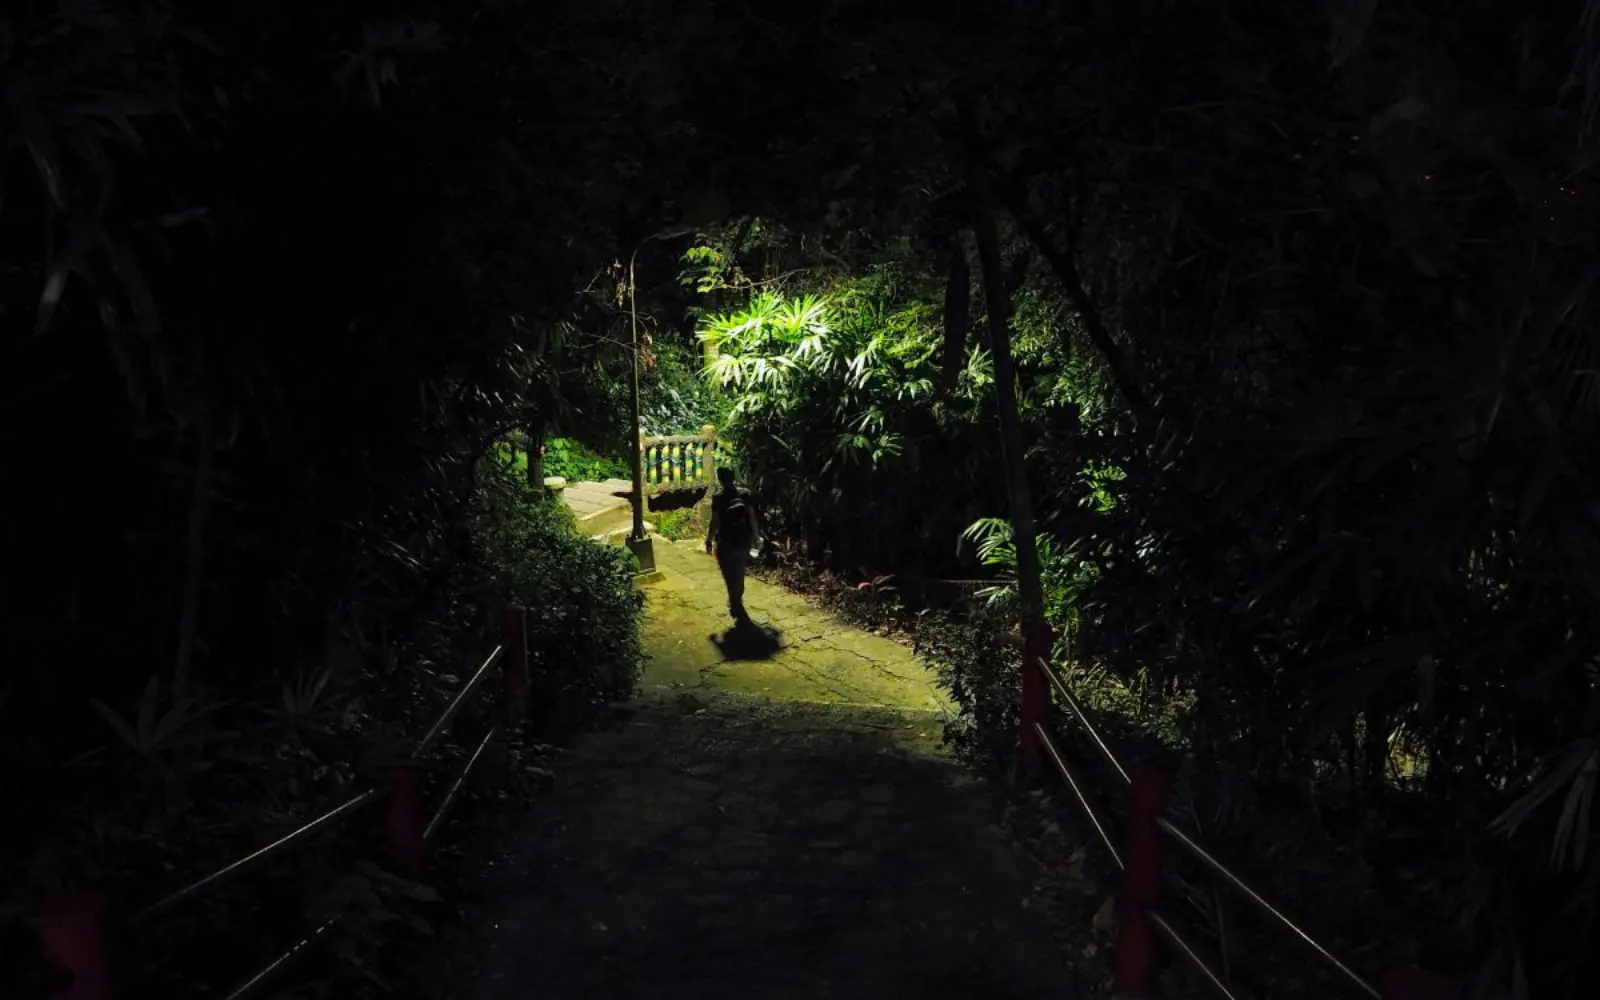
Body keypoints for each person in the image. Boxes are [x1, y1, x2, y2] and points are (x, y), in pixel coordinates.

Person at [705, 466, 761, 624]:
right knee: (740, 570)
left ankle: (735, 601)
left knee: (729, 573)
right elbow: (752, 517)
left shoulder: (719, 497)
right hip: (743, 540)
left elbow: (715, 521)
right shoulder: (744, 494)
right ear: (734, 477)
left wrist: (709, 539)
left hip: (726, 542)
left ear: (720, 479)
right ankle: (737, 599)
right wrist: (756, 536)